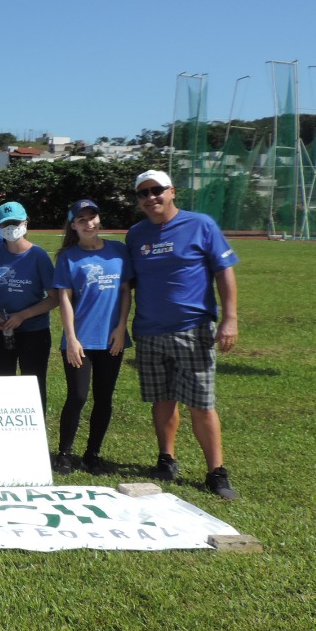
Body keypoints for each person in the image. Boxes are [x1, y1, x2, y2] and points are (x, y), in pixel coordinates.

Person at [126, 170, 240, 499]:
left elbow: (224, 271)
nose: (150, 198)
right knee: (162, 399)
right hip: (149, 330)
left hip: (194, 328)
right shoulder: (136, 235)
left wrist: (229, 318)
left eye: (156, 190)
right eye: (143, 193)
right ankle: (166, 458)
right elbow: (126, 285)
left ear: (172, 191)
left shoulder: (201, 224)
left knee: (201, 404)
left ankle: (216, 472)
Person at [53, 199, 133, 475]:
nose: (89, 224)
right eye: (82, 220)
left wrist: (121, 328)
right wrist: (72, 339)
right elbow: (64, 299)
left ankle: (93, 454)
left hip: (111, 339)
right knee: (77, 396)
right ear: (73, 225)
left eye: (93, 217)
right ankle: (65, 453)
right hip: (80, 341)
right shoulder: (68, 258)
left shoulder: (118, 252)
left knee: (104, 397)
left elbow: (125, 292)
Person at [0, 201, 58, 416]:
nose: (10, 228)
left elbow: (54, 298)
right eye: (5, 224)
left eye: (15, 223)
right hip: (2, 329)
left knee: (34, 384)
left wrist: (23, 315)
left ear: (25, 223)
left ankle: (35, 430)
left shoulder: (38, 256)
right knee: (2, 384)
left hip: (34, 331)